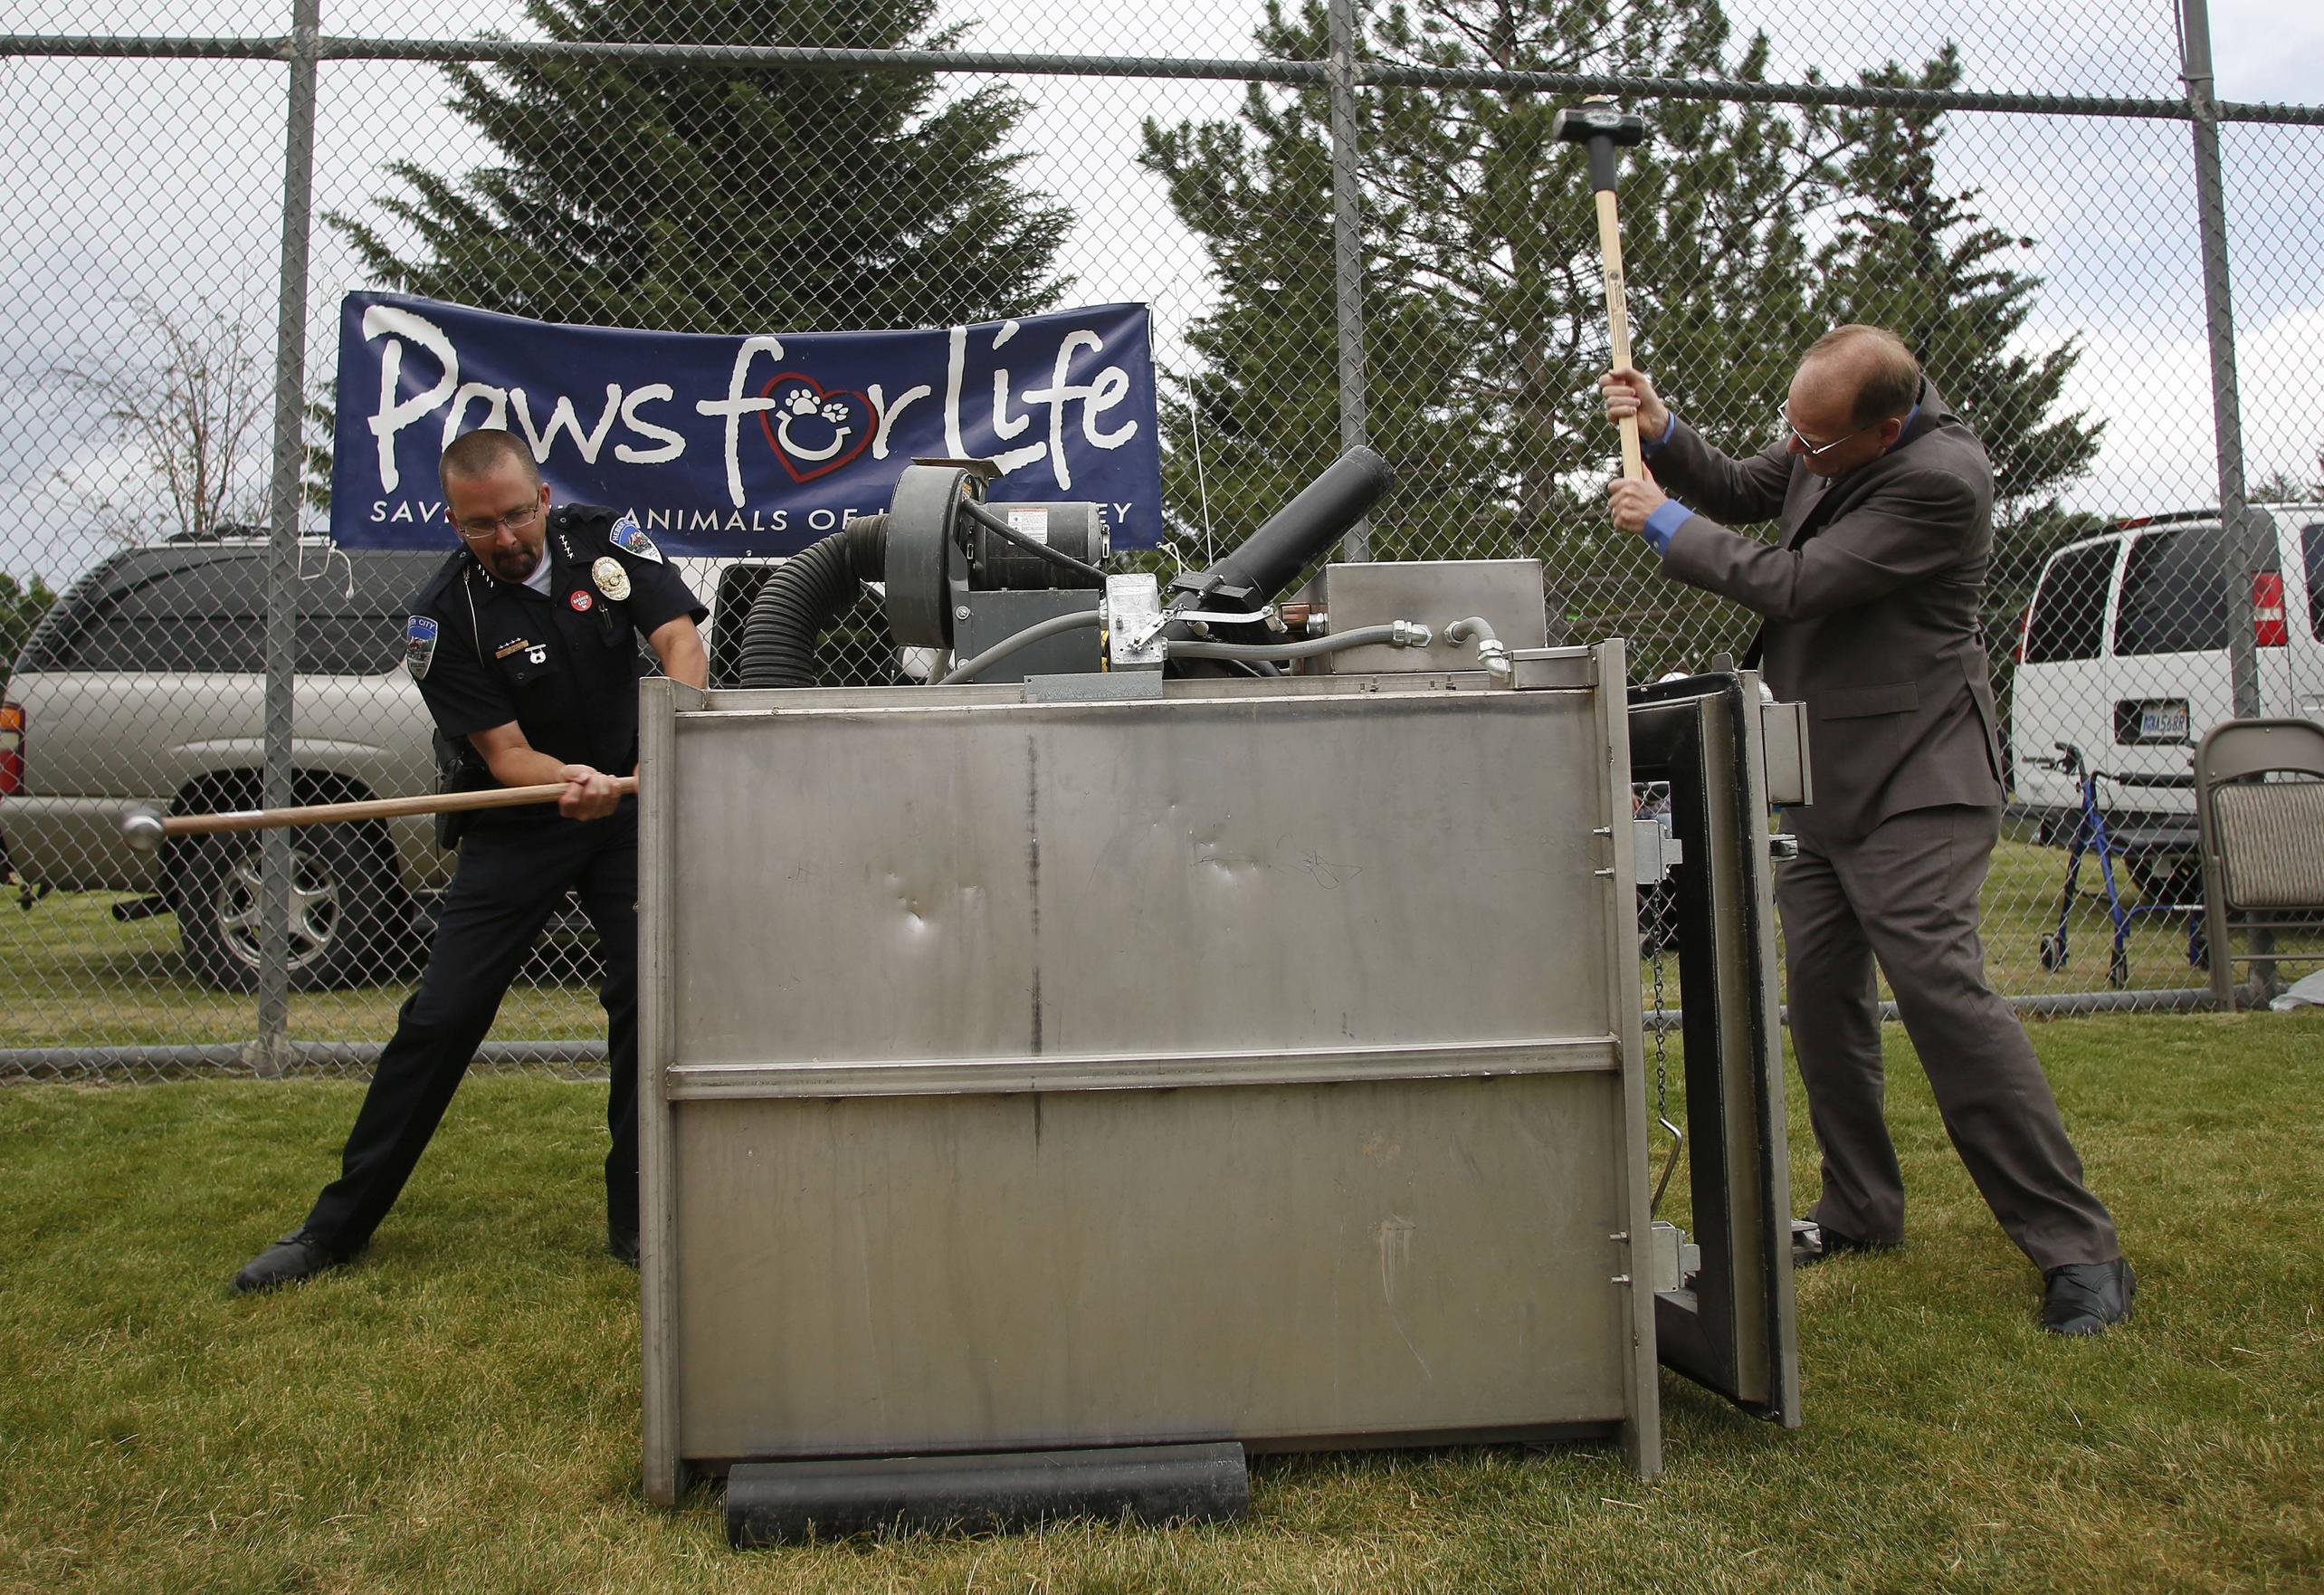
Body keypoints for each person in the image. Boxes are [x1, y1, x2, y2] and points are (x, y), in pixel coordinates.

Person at [1599, 325, 2134, 1336]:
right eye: (1793, 431)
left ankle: (2078, 1249)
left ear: (1886, 427)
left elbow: (1795, 582)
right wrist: (1663, 429)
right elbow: (1754, 485)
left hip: (1919, 778)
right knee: (1823, 999)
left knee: (1941, 995)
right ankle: (1860, 1206)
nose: (1797, 453)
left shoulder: (1941, 482)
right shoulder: (1830, 442)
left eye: (1816, 440)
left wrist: (1664, 520)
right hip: (1824, 774)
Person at [233, 428, 707, 1292]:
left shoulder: (604, 542)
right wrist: (572, 780)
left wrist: (663, 746)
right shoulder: (442, 617)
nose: (507, 538)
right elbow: (505, 755)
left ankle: (641, 1219)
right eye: (482, 525)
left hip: (635, 803)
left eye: (518, 515)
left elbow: (678, 639)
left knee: (650, 997)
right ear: (454, 521)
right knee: (442, 1017)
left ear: (544, 500)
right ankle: (332, 1232)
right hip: (521, 820)